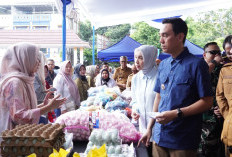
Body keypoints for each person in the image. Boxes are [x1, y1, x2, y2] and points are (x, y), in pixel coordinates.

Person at [138, 18, 213, 157]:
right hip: (159, 137)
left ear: (180, 36)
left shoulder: (197, 64)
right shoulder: (164, 65)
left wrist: (176, 113)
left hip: (182, 140)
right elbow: (158, 97)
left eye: (165, 35)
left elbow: (207, 102)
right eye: (160, 36)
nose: (161, 40)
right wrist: (149, 128)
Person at [0, 43, 66, 140]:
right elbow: (18, 117)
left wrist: (42, 105)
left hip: (20, 137)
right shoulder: (15, 82)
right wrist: (48, 107)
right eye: (35, 58)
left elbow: (23, 110)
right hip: (12, 140)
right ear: (25, 59)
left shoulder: (24, 79)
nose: (39, 62)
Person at [131, 45, 159, 156]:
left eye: (141, 58)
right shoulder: (136, 79)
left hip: (157, 129)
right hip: (142, 127)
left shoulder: (159, 76)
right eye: (135, 57)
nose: (136, 61)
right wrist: (135, 110)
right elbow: (134, 100)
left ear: (149, 58)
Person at [198, 42, 224, 157]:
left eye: (219, 52)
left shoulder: (222, 70)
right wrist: (213, 63)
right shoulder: (199, 67)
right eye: (213, 52)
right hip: (204, 123)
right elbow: (199, 78)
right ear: (204, 55)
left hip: (221, 121)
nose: (217, 55)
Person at [216, 36, 232, 157]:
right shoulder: (225, 70)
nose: (231, 52)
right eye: (228, 50)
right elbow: (220, 95)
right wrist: (228, 116)